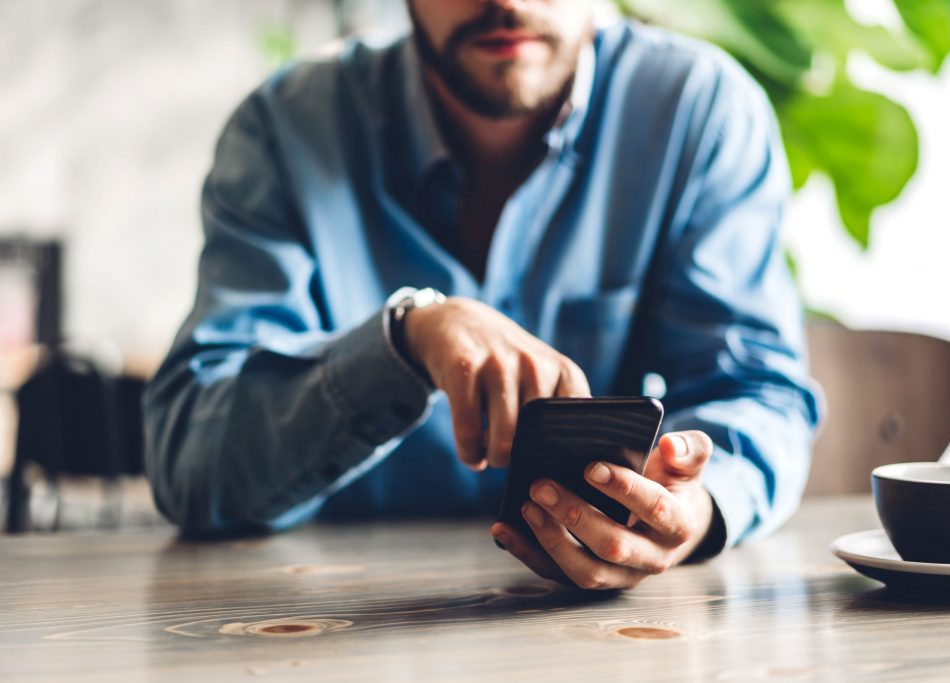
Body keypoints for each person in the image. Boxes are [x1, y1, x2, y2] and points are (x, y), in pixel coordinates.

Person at [144, 0, 821, 590]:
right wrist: (403, 343)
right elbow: (190, 464)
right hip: (326, 622)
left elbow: (761, 395)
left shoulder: (696, 112)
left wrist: (695, 510)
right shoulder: (287, 131)